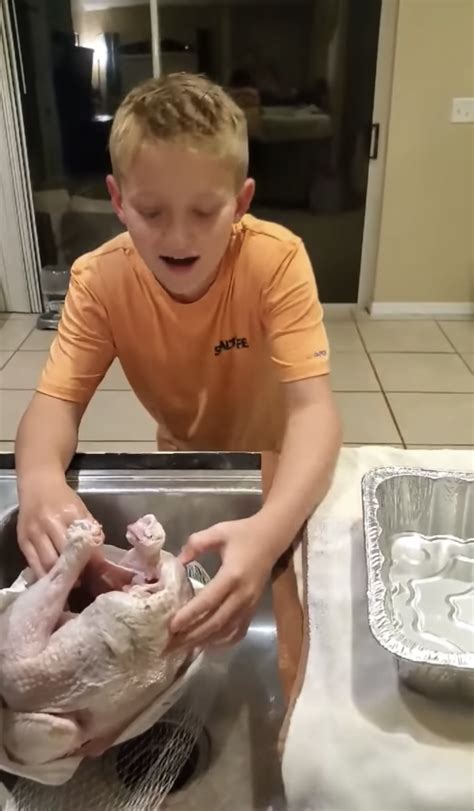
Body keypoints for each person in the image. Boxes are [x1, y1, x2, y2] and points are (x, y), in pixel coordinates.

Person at [15, 72, 341, 649]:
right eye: (152, 212)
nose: (179, 237)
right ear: (118, 200)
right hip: (187, 460)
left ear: (240, 203)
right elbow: (53, 406)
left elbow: (314, 412)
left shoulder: (277, 261)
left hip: (283, 470)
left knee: (294, 637)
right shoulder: (99, 280)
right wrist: (40, 477)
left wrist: (268, 532)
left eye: (203, 212)